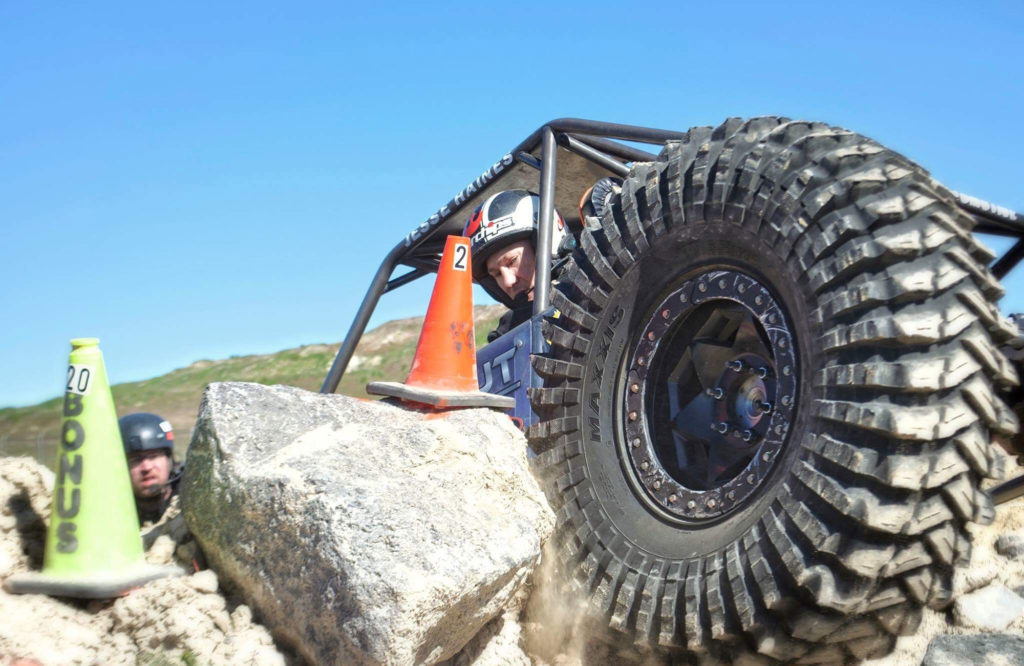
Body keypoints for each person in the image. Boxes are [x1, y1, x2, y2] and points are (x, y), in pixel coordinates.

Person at [464, 182, 620, 342]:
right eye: (496, 274)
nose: (508, 281)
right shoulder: (505, 338)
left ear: (547, 243)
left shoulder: (611, 284)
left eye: (512, 261)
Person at [119, 412, 183, 525]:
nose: (147, 467)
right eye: (135, 460)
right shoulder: (112, 508)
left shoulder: (191, 495)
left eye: (153, 456)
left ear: (169, 459)